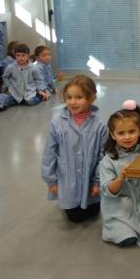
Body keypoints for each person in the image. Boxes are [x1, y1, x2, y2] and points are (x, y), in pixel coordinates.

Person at [41, 75, 108, 222]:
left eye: (79, 97)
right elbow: (49, 153)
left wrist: (97, 182)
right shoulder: (57, 123)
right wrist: (51, 180)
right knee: (75, 217)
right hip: (67, 179)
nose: (72, 102)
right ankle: (70, 203)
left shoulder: (100, 126)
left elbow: (104, 157)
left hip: (91, 183)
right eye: (69, 97)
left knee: (92, 212)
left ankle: (90, 198)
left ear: (92, 98)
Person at [100, 100, 140, 247]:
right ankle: (114, 229)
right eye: (121, 133)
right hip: (120, 208)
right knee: (127, 239)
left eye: (131, 131)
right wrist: (122, 176)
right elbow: (108, 191)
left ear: (139, 131)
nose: (127, 137)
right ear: (113, 135)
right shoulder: (107, 161)